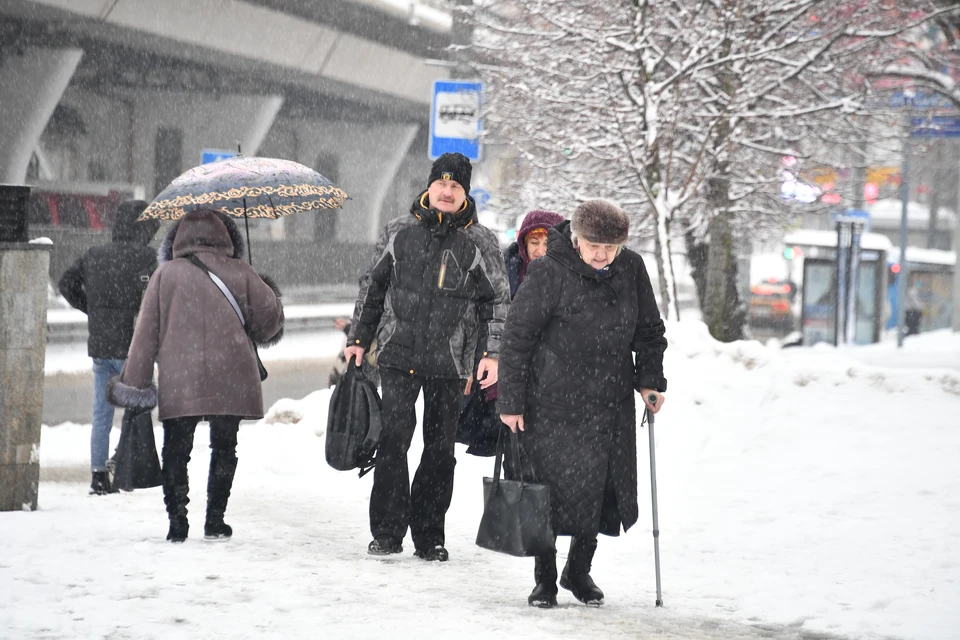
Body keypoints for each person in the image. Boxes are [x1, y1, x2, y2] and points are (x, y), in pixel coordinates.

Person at [497, 200, 668, 608]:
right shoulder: (548, 270)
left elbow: (648, 332)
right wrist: (511, 401)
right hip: (552, 401)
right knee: (549, 492)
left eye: (611, 247)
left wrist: (650, 382)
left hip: (608, 402)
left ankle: (578, 570)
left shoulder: (631, 269)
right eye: (593, 244)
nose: (601, 255)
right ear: (575, 237)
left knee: (598, 489)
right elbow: (517, 337)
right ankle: (545, 579)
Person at [345, 152, 510, 561]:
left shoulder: (480, 242)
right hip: (399, 352)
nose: (447, 191)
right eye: (442, 183)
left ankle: (429, 535)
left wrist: (490, 353)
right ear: (430, 186)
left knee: (439, 450)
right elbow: (372, 287)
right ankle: (386, 531)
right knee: (393, 439)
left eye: (456, 186)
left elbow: (497, 301)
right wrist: (359, 338)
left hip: (451, 362)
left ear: (466, 193)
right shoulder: (399, 232)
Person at [106, 209, 284, 543]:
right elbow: (268, 324)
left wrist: (136, 384)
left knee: (176, 448)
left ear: (177, 239)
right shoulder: (241, 271)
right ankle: (215, 520)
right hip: (231, 373)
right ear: (227, 236)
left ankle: (177, 521)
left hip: (181, 374)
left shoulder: (165, 275)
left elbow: (145, 334)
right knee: (225, 446)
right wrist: (265, 289)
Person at [57, 200, 160, 495]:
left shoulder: (94, 254)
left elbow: (66, 283)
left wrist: (92, 308)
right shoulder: (149, 258)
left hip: (101, 346)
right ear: (143, 228)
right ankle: (127, 466)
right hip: (134, 347)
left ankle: (98, 475)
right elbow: (159, 301)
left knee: (101, 414)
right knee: (137, 410)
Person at [457, 210, 565, 455]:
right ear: (523, 243)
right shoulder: (506, 274)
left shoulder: (570, 277)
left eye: (547, 243)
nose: (540, 250)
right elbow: (484, 320)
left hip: (554, 382)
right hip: (512, 378)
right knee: (514, 456)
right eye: (534, 243)